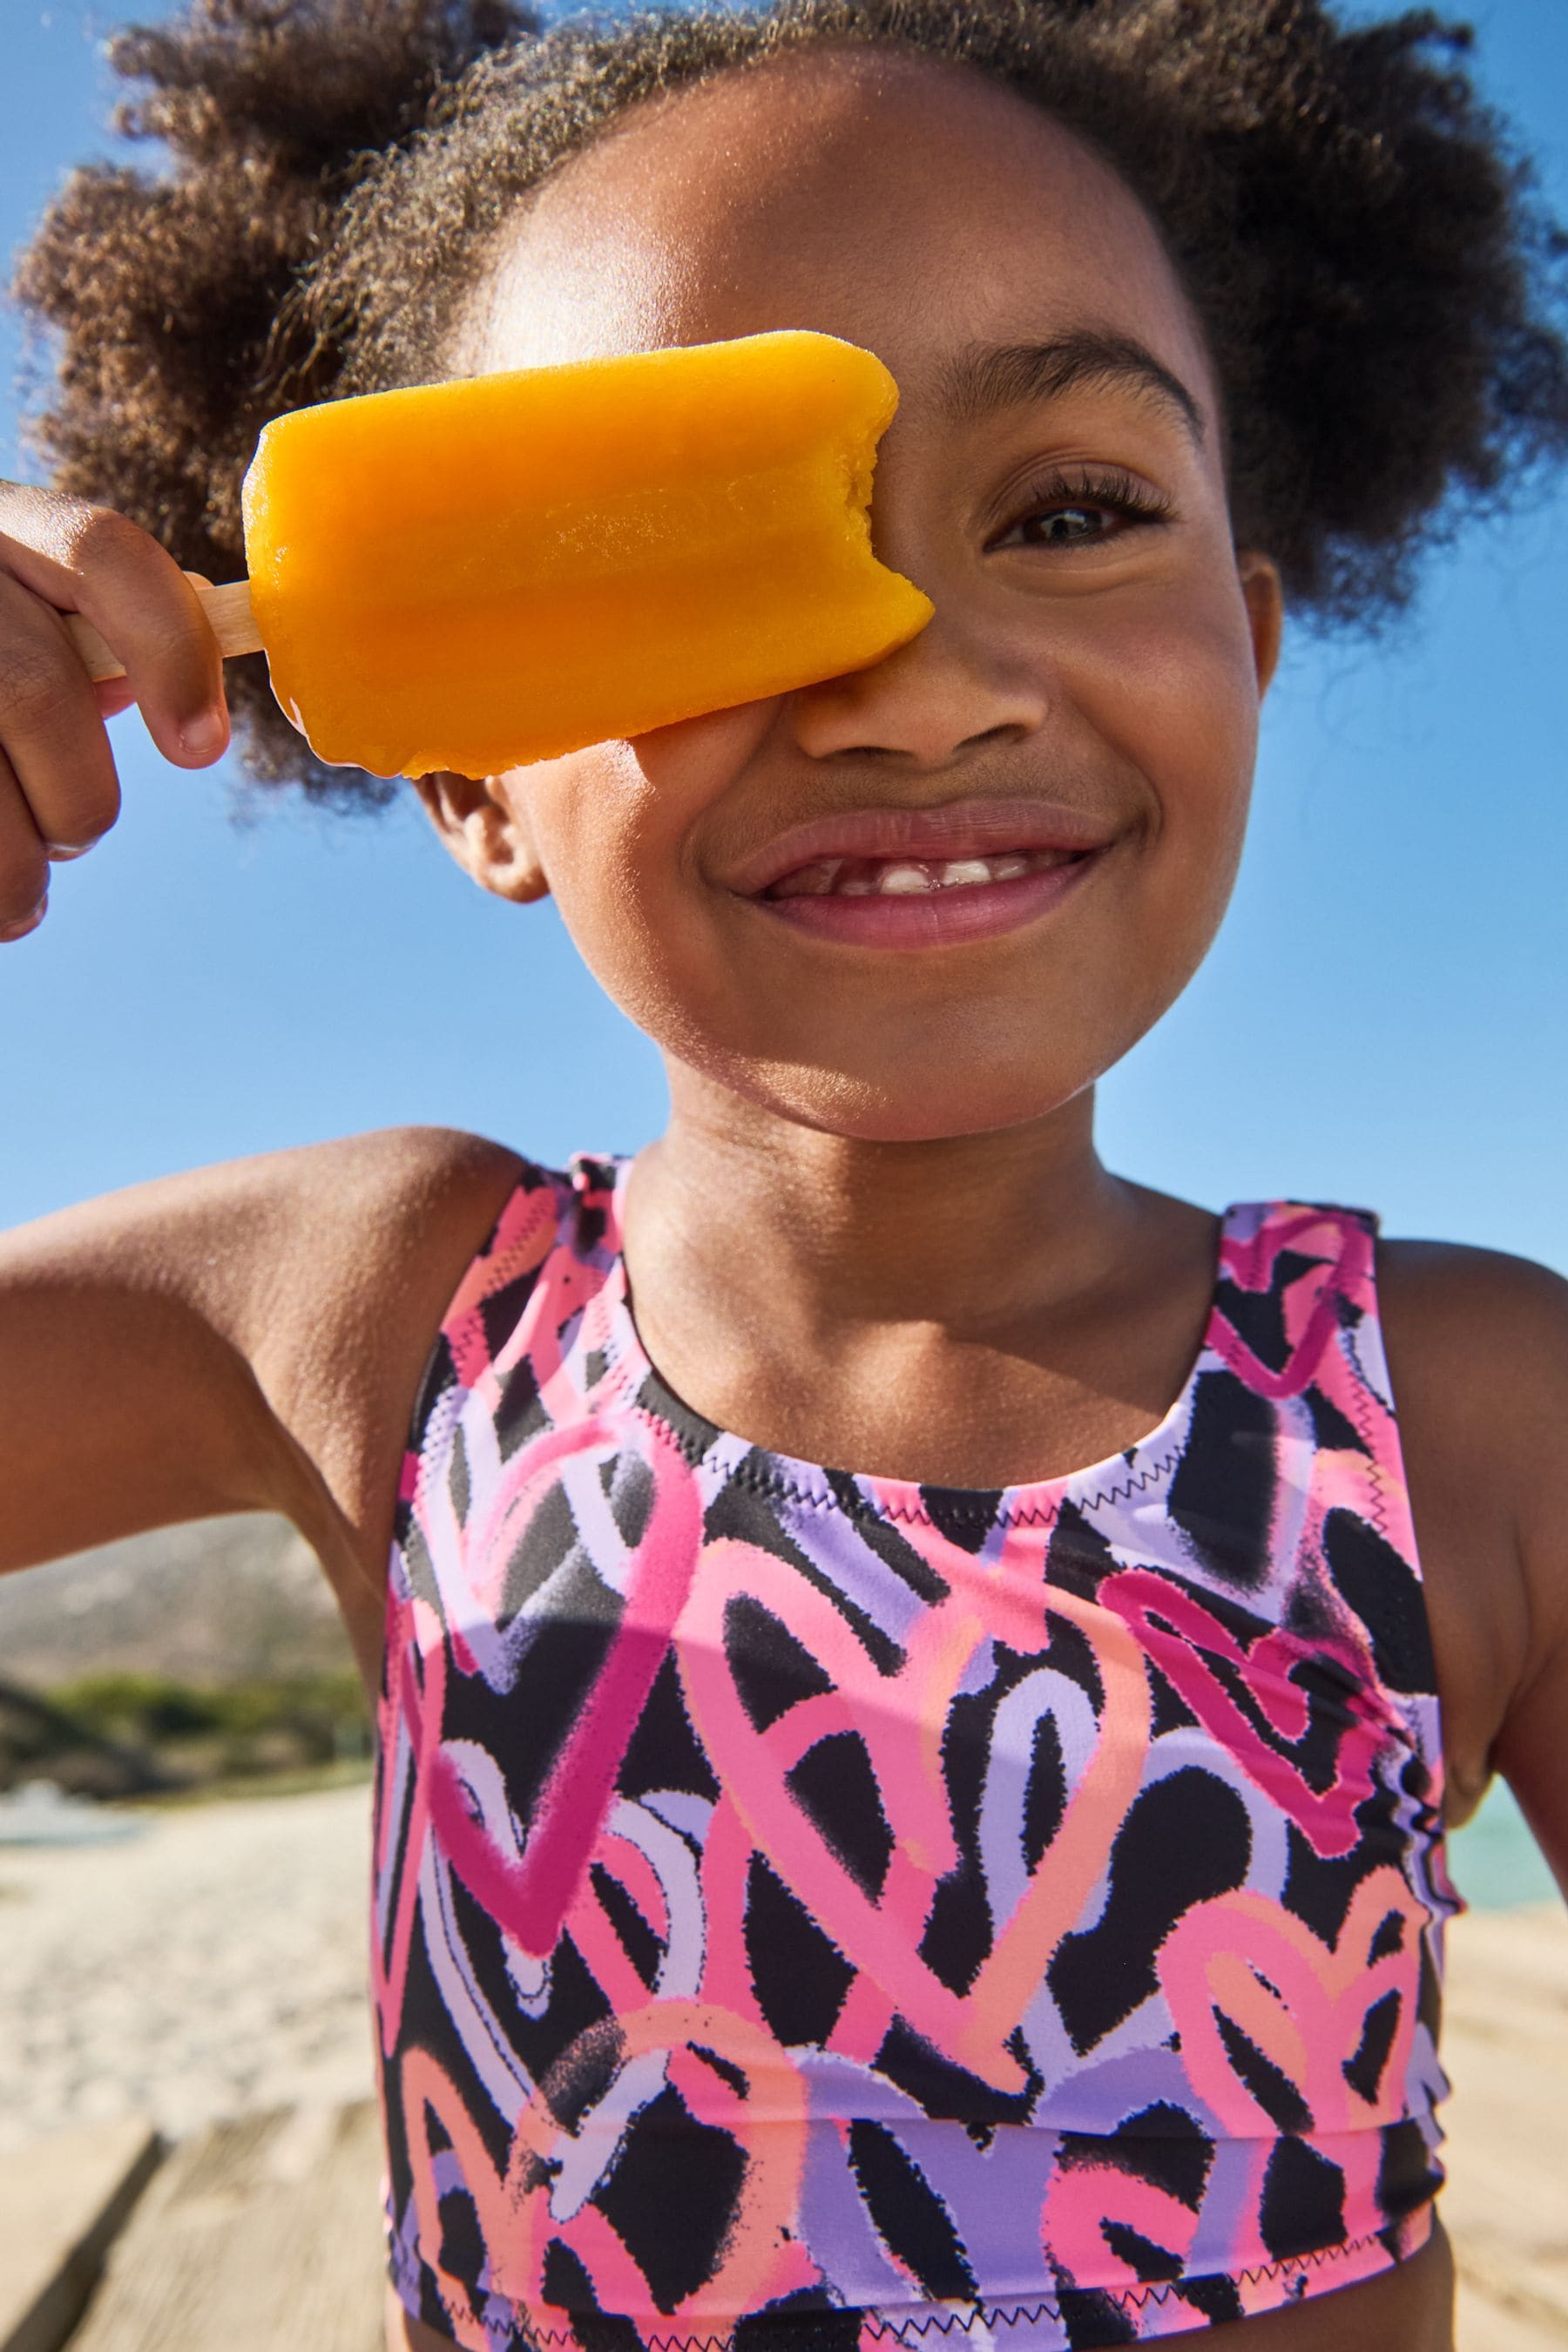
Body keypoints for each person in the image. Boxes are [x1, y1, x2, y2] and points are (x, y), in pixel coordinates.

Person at [2, 1, 1565, 2346]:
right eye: (691, 574)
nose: (917, 684)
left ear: (1245, 641)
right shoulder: (386, 1309)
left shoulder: (1462, 1403)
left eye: (1067, 510)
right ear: (471, 776)